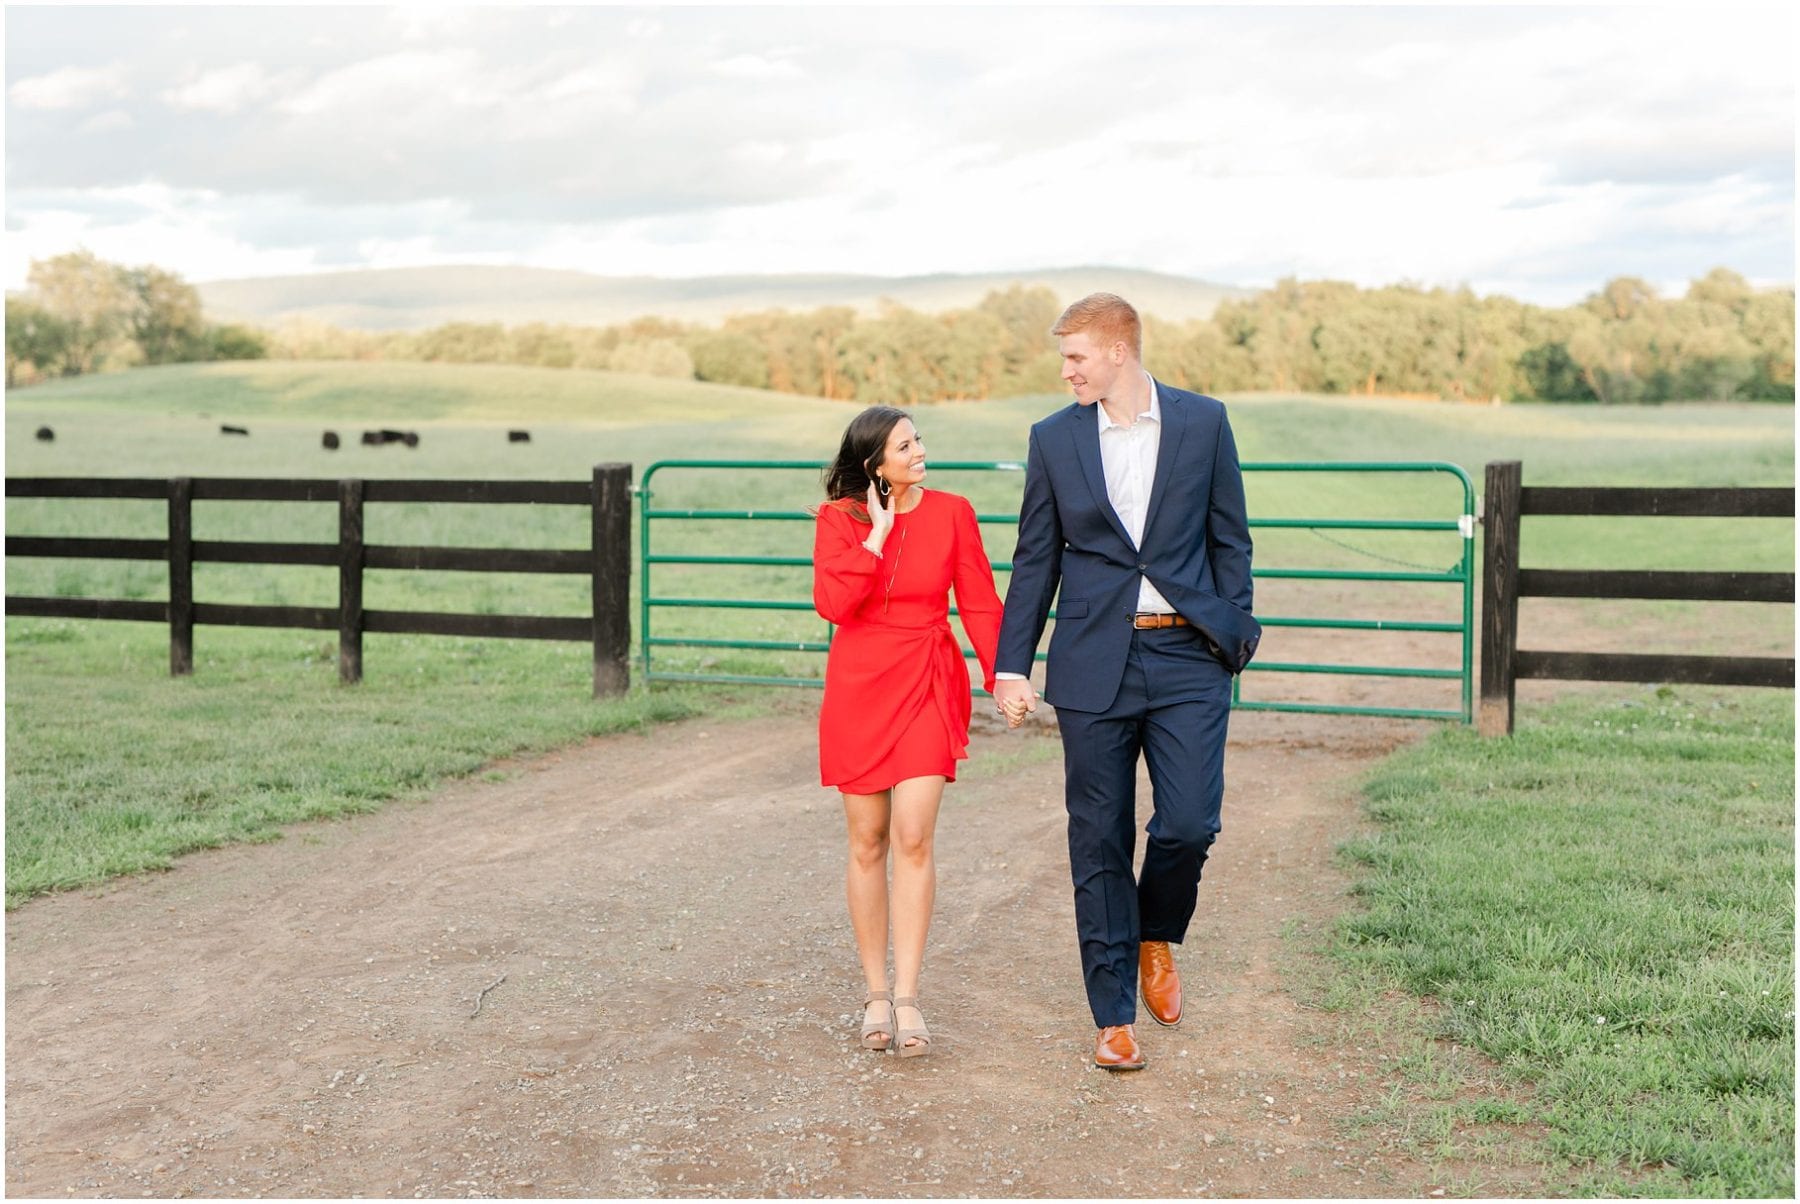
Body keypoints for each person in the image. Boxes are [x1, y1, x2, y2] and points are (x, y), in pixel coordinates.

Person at [992, 293, 1260, 1071]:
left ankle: (1157, 935)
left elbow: (1229, 537)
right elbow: (1034, 557)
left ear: (1118, 351)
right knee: (1098, 838)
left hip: (1187, 659)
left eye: (1075, 356)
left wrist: (1231, 625)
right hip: (1091, 662)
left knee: (1188, 824)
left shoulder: (1204, 422)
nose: (1066, 371)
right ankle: (1112, 1017)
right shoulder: (1053, 439)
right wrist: (1013, 662)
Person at [812, 405, 1003, 1057]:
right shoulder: (840, 521)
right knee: (867, 841)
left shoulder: (954, 512)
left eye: (918, 438)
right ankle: (873, 993)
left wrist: (1001, 674)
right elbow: (835, 606)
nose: (920, 450)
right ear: (875, 465)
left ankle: (909, 997)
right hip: (860, 685)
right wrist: (877, 535)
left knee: (913, 835)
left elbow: (978, 598)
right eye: (905, 444)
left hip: (925, 677)